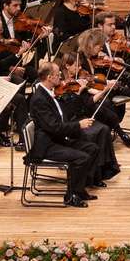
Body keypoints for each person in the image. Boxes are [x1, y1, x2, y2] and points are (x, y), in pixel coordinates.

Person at [27, 62, 102, 206]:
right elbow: (53, 127)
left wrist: (78, 94)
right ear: (49, 77)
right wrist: (78, 125)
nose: (61, 76)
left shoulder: (51, 92)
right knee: (81, 158)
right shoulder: (39, 99)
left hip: (57, 139)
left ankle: (78, 190)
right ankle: (71, 195)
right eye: (58, 75)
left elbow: (64, 116)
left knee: (92, 149)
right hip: (47, 145)